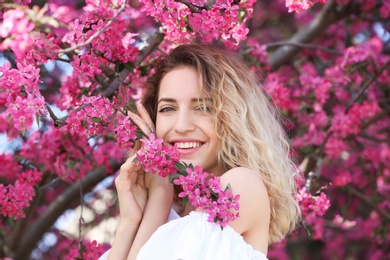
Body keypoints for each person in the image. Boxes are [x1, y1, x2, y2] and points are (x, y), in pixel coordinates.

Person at [99, 44, 301, 260]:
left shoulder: (242, 185)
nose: (182, 126)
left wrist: (159, 193)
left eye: (203, 107)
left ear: (233, 117)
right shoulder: (174, 208)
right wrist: (130, 222)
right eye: (168, 109)